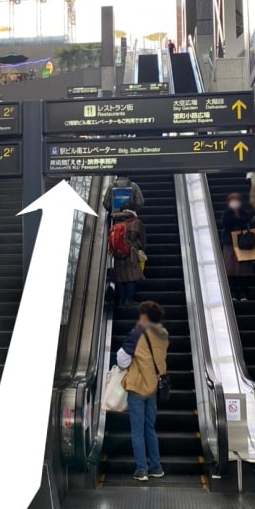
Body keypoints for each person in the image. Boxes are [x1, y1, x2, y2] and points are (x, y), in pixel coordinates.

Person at [116, 300, 169, 481]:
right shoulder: (163, 335)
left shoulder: (137, 334)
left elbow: (122, 359)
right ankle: (156, 467)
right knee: (150, 428)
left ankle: (141, 469)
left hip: (138, 388)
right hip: (153, 388)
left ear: (144, 316)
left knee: (137, 430)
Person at [221, 192, 254, 301]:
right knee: (230, 269)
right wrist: (237, 218)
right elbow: (226, 223)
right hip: (229, 243)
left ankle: (243, 293)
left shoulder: (244, 212)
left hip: (243, 244)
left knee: (243, 269)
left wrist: (238, 217)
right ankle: (233, 293)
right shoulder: (226, 213)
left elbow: (247, 219)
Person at [109, 206, 145, 306]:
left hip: (117, 253)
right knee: (131, 276)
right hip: (131, 253)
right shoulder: (137, 222)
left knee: (120, 276)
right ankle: (129, 300)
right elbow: (142, 239)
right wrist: (141, 249)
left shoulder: (116, 221)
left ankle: (121, 300)